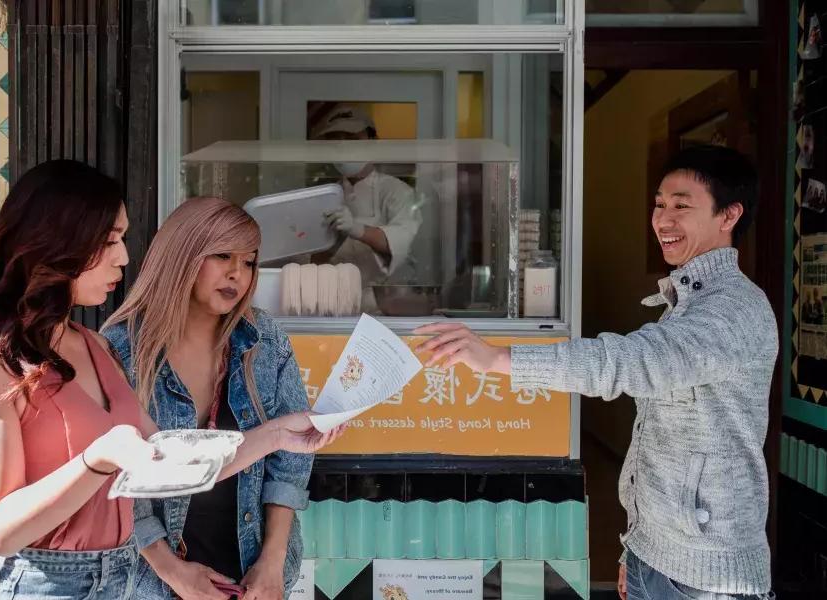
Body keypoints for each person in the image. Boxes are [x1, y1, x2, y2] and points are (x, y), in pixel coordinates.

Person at [0, 161, 342, 600]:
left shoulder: (94, 347)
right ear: (57, 240)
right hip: (37, 583)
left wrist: (279, 433)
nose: (125, 257)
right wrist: (97, 461)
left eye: (122, 239)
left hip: (124, 578)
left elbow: (172, 464)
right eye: (110, 241)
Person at [414, 145, 777, 600]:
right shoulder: (687, 303)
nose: (663, 219)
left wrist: (501, 359)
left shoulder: (732, 310)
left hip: (709, 580)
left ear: (729, 216)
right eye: (659, 204)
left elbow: (630, 362)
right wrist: (635, 552)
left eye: (682, 206)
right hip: (658, 561)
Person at [102, 197, 318, 600]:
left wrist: (272, 561)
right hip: (152, 581)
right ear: (183, 255)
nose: (237, 273)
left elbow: (289, 465)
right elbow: (118, 484)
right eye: (222, 255)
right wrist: (174, 573)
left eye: (250, 261)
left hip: (251, 576)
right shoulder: (120, 351)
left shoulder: (263, 340)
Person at [312, 105, 422, 312]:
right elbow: (309, 261)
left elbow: (403, 242)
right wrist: (331, 244)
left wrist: (357, 229)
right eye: (336, 140)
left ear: (373, 143)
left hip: (381, 307)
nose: (343, 147)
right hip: (328, 307)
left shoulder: (397, 191)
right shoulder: (323, 195)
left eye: (352, 139)